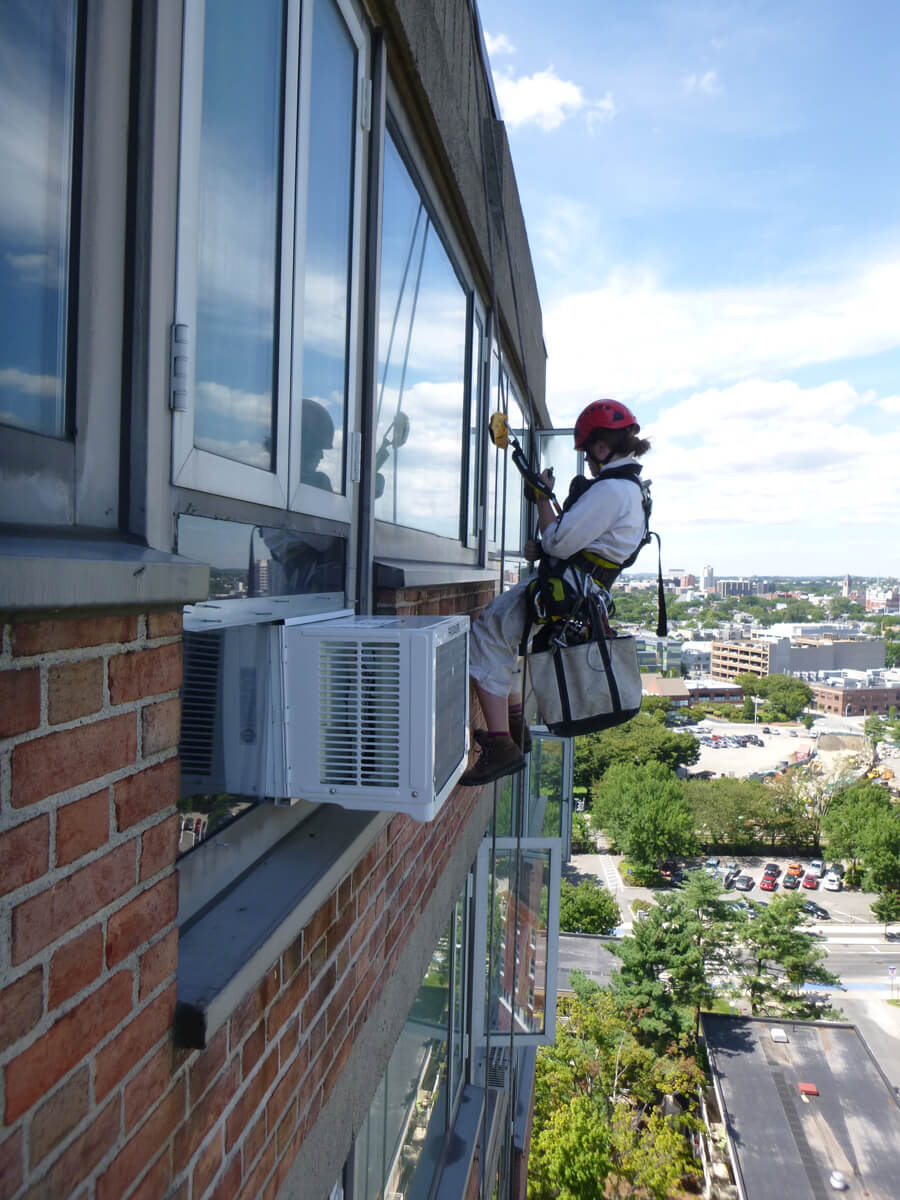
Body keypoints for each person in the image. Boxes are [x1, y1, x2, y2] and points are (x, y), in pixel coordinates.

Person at [460, 399, 652, 786]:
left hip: (570, 588)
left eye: (587, 456)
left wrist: (541, 500)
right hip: (580, 589)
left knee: (487, 636)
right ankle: (515, 729)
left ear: (601, 448)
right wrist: (546, 530)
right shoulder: (631, 490)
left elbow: (558, 542)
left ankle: (501, 745)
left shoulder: (613, 490)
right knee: (507, 643)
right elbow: (564, 543)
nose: (588, 464)